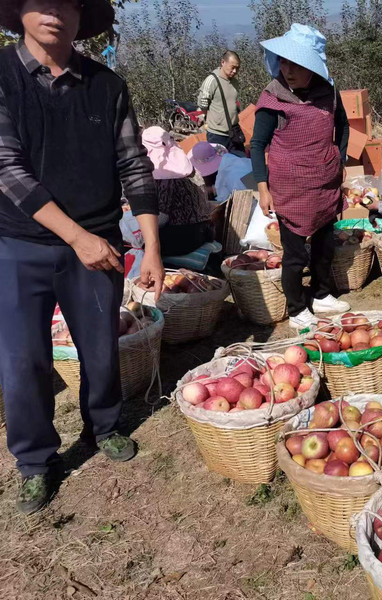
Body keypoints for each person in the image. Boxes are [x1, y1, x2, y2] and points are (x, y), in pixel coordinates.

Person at [0, 0, 164, 514]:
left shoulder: (108, 86)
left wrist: (152, 243)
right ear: (19, 9)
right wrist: (77, 238)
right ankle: (35, 460)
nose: (56, 12)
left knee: (98, 345)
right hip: (19, 245)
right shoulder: (3, 77)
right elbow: (7, 168)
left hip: (97, 243)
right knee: (22, 358)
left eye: (69, 2)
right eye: (42, 1)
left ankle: (105, 425)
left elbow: (134, 163)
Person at [250, 24, 350, 330]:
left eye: (296, 64)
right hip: (290, 190)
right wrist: (263, 188)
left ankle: (320, 294)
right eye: (284, 61)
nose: (288, 70)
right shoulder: (273, 98)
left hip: (324, 184)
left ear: (312, 68)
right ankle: (296, 309)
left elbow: (343, 127)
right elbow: (257, 144)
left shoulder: (329, 93)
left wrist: (340, 160)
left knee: (324, 244)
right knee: (294, 254)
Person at [142, 128, 216, 256]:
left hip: (183, 239)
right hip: (203, 231)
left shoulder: (165, 175)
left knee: (139, 240)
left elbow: (161, 218)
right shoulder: (188, 168)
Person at [197, 50, 242, 152]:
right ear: (223, 62)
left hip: (234, 131)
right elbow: (203, 104)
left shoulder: (235, 82)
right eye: (232, 67)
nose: (235, 71)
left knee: (240, 162)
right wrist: (213, 120)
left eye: (237, 68)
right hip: (217, 134)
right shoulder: (212, 80)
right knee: (218, 165)